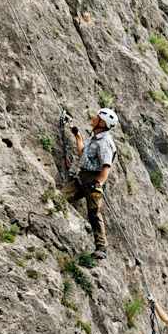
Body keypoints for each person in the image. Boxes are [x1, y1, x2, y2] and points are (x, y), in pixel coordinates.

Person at [61, 107, 118, 260]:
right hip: (82, 178)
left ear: (102, 123)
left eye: (97, 117)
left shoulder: (105, 143)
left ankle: (102, 248)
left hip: (93, 181)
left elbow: (106, 167)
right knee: (60, 198)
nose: (93, 118)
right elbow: (82, 153)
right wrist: (77, 135)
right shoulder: (95, 138)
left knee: (93, 214)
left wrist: (98, 184)